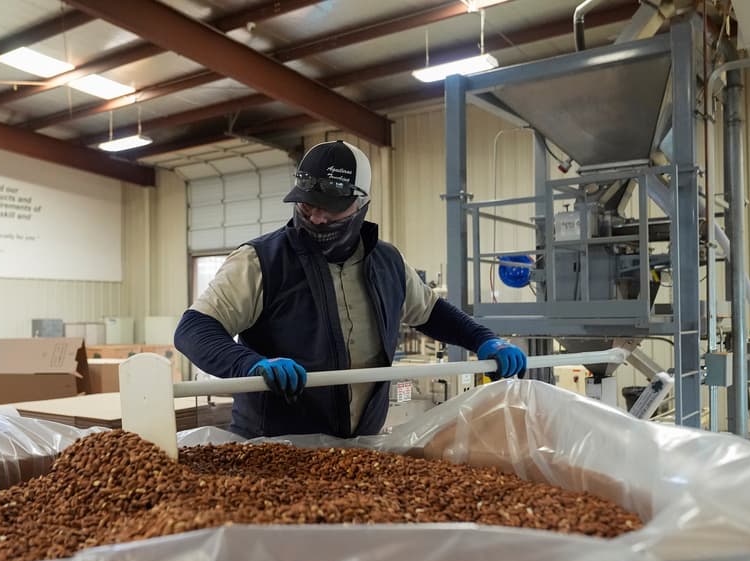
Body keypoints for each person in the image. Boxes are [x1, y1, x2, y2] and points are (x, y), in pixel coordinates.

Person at [174, 140, 526, 438]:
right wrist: (251, 365)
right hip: (274, 447)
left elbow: (430, 312)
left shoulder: (388, 262)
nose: (316, 219)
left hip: (359, 447)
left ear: (361, 204)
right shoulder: (260, 261)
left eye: (331, 209)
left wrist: (484, 339)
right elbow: (194, 330)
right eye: (307, 206)